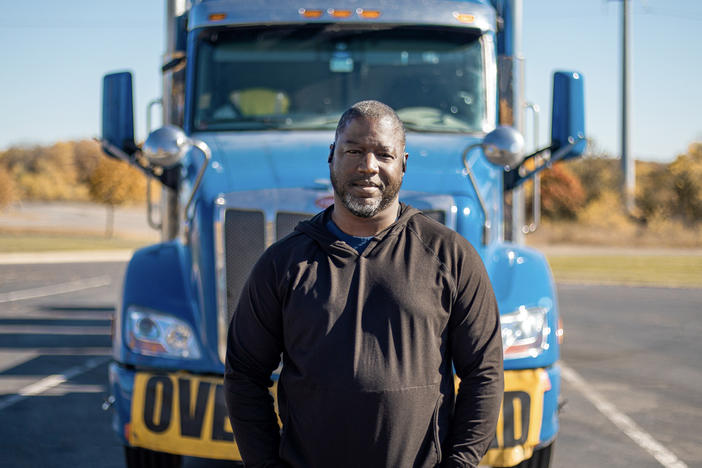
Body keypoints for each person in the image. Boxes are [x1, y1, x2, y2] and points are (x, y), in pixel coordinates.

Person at [224, 100, 503, 468]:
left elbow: (484, 373)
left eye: (383, 154)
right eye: (353, 150)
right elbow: (244, 374)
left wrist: (460, 463)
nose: (367, 166)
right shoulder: (282, 263)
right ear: (332, 157)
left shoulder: (450, 256)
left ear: (403, 164)